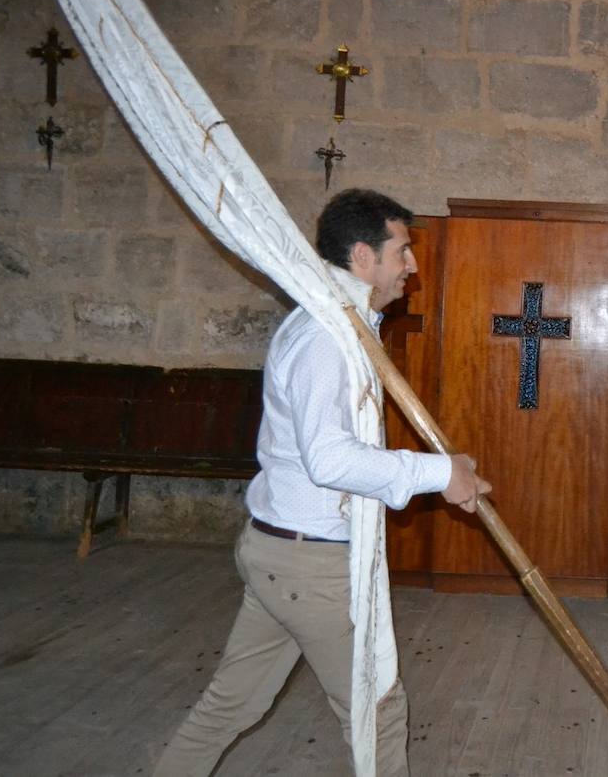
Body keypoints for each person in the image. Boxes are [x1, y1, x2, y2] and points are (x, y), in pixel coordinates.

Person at [154, 189, 491, 776]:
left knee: (231, 704)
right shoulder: (324, 338)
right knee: (377, 712)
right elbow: (330, 461)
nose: (411, 265)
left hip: (283, 553)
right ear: (363, 256)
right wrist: (440, 473)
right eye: (402, 250)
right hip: (307, 564)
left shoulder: (340, 324)